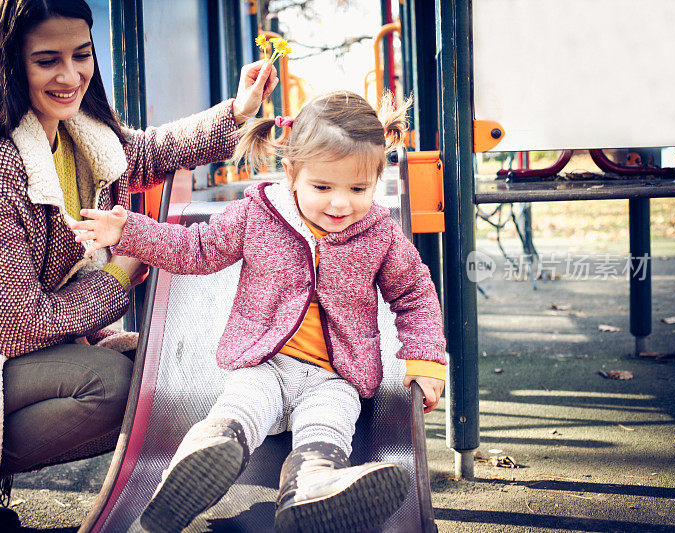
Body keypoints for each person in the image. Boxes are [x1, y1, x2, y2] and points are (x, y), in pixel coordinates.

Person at [0, 0, 276, 531]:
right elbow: (17, 326)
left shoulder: (75, 132)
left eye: (82, 55)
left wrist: (237, 110)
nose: (70, 76)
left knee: (163, 370)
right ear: (8, 62)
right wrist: (116, 276)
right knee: (113, 385)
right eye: (47, 60)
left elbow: (146, 152)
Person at [73, 90, 447, 533]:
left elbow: (415, 294)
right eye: (322, 187)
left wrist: (426, 361)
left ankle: (309, 493)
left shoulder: (380, 235)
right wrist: (129, 231)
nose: (341, 203)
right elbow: (196, 249)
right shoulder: (258, 215)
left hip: (337, 377)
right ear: (291, 174)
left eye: (358, 188)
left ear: (376, 180)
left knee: (328, 429)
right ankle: (193, 469)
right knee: (239, 411)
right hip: (263, 363)